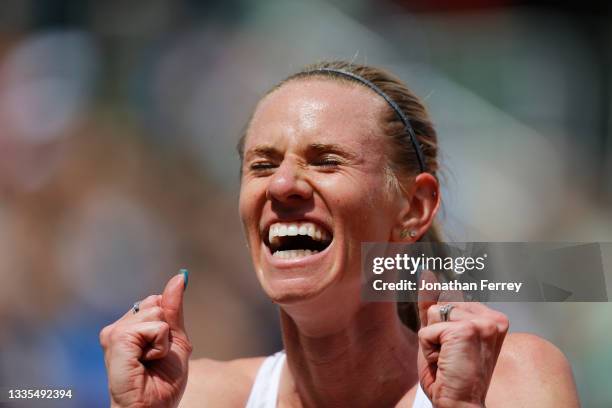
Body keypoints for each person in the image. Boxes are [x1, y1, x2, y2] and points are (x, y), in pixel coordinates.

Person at [100, 61, 580, 407]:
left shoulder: (510, 382)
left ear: (414, 207)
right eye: (262, 165)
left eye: (326, 160)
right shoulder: (194, 397)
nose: (283, 185)